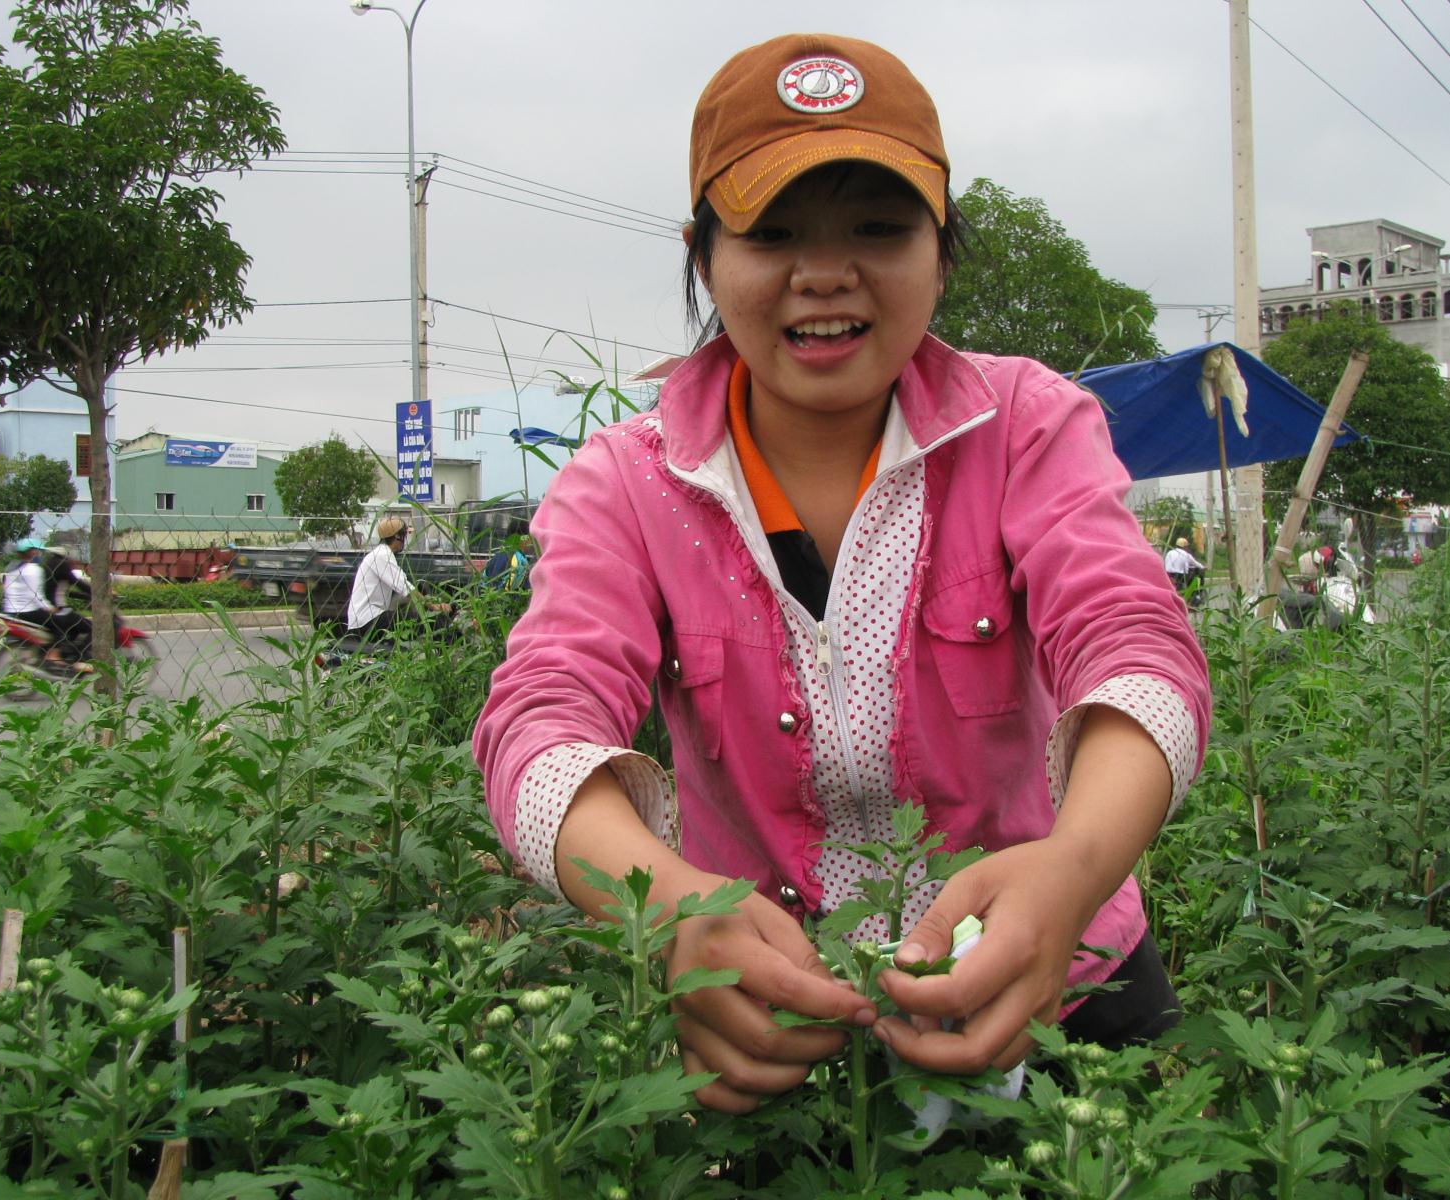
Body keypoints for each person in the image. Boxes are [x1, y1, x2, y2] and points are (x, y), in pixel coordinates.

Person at [474, 33, 1210, 1115]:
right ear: (702, 255)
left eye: (879, 226)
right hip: (766, 1013)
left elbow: (1135, 647)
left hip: (1059, 981)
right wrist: (672, 910)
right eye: (771, 233)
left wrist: (1073, 873)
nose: (823, 273)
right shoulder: (624, 486)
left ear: (942, 248)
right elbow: (537, 724)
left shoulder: (1028, 428)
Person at [346, 516, 451, 640]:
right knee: (423, 623)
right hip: (367, 619)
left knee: (411, 620)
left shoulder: (381, 553)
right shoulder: (382, 555)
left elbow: (404, 590)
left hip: (370, 617)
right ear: (397, 537)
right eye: (404, 536)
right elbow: (406, 588)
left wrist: (423, 602)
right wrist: (434, 606)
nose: (405, 540)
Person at [1, 537, 87, 673]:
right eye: (38, 551)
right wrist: (50, 608)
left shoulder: (11, 567)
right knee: (60, 621)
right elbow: (35, 595)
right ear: (32, 552)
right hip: (29, 610)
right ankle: (54, 655)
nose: (40, 554)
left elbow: (5, 589)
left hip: (11, 610)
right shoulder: (34, 569)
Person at [40, 545, 94, 663]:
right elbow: (77, 583)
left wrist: (86, 596)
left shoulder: (47, 565)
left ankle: (68, 652)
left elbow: (65, 590)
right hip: (59, 610)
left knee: (75, 627)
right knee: (92, 628)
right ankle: (81, 655)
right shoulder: (62, 565)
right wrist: (98, 593)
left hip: (46, 608)